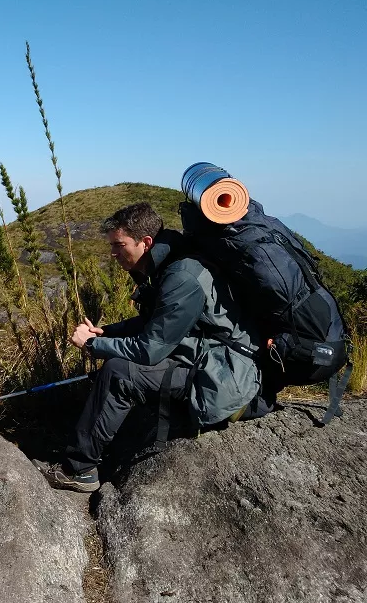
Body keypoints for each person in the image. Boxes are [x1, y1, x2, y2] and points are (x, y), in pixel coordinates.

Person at [45, 203, 261, 493]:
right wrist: (107, 332)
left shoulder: (182, 276)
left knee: (119, 373)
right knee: (120, 366)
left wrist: (94, 344)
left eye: (119, 245)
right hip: (207, 359)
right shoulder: (169, 264)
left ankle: (79, 470)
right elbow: (155, 322)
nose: (113, 253)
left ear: (145, 243)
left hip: (223, 376)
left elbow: (150, 350)